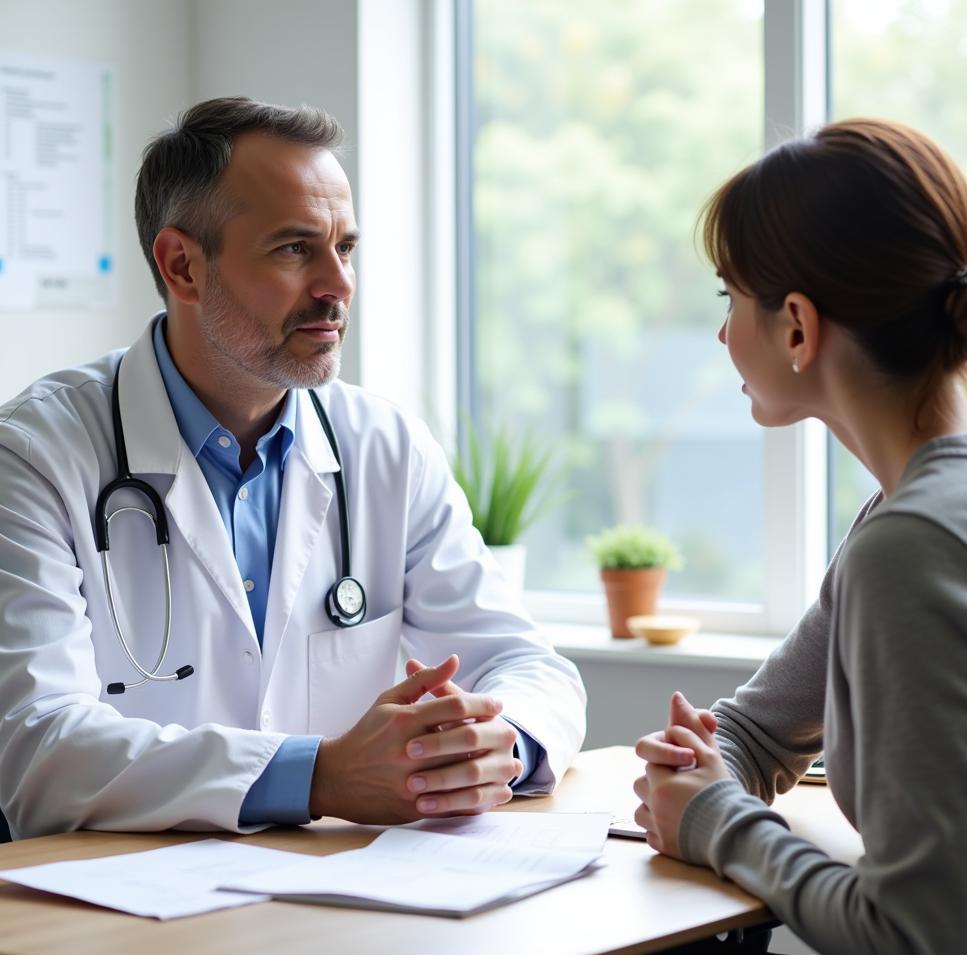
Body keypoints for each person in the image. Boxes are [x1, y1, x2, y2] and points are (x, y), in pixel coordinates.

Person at [500, 119, 967, 955]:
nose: (718, 330)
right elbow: (760, 726)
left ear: (796, 326)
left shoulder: (917, 547)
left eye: (729, 295)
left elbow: (920, 946)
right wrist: (707, 766)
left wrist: (715, 820)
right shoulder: (956, 492)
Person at [0, 97, 585, 843]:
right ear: (182, 264)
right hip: (119, 923)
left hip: (332, 904)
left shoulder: (382, 445)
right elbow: (38, 748)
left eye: (346, 248)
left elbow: (523, 661)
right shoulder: (36, 455)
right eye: (293, 249)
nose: (336, 286)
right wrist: (319, 775)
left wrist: (499, 746)